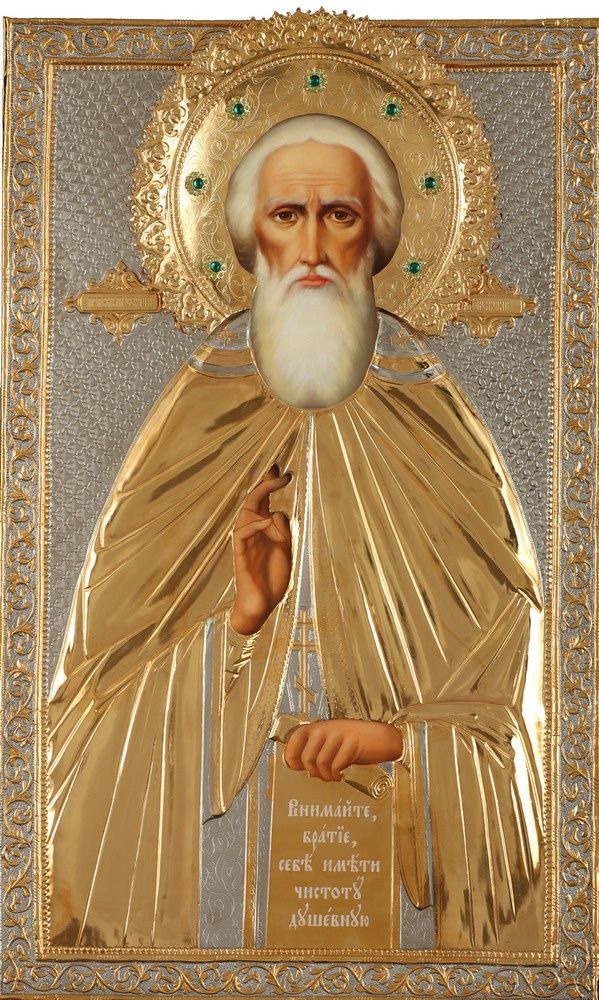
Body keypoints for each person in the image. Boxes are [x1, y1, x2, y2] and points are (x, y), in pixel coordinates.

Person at [47, 115, 544, 952]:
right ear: (249, 239)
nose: (311, 246)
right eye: (286, 216)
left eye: (338, 215)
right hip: (212, 862)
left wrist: (398, 742)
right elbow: (99, 697)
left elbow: (510, 702)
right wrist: (241, 622)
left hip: (396, 849)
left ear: (377, 237)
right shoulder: (196, 414)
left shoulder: (437, 426)